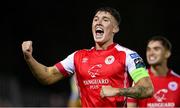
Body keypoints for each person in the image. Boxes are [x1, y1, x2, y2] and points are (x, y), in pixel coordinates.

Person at [21, 7, 154, 107]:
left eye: (105, 20)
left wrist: (118, 91)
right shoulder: (78, 57)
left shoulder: (129, 55)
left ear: (115, 29)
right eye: (95, 19)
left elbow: (148, 89)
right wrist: (29, 58)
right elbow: (47, 76)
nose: (98, 22)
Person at [127, 35, 180, 107]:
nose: (151, 53)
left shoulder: (178, 81)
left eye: (156, 49)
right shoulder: (139, 80)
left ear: (167, 53)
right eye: (148, 49)